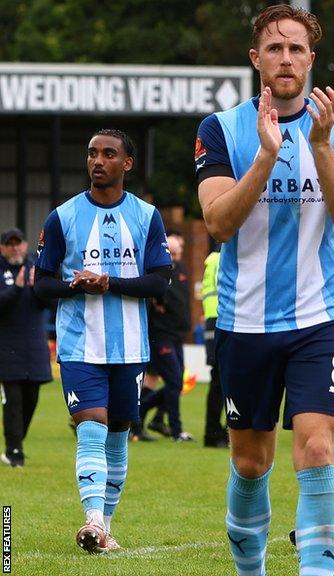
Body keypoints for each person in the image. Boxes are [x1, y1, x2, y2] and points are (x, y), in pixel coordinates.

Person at [195, 5, 334, 573]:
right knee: (250, 463)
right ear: (256, 59)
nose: (286, 58)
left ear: (311, 59)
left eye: (296, 49)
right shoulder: (219, 130)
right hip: (245, 323)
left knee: (319, 448)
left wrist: (318, 145)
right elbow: (219, 223)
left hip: (321, 318)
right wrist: (268, 155)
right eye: (275, 48)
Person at [33, 129, 172, 553]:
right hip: (79, 345)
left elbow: (160, 281)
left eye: (108, 154)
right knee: (90, 426)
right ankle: (92, 518)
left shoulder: (147, 216)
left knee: (117, 434)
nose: (98, 160)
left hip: (130, 347)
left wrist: (109, 282)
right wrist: (78, 287)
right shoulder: (63, 216)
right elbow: (41, 285)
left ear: (126, 163)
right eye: (92, 153)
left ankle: (104, 526)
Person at [0, 228, 53, 468]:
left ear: (25, 244)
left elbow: (50, 302)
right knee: (13, 402)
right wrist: (18, 288)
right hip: (6, 348)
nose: (14, 248)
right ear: (2, 247)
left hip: (34, 347)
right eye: (9, 244)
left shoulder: (36, 267)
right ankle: (14, 452)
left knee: (31, 401)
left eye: (17, 243)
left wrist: (37, 287)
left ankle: (15, 442)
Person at [136, 232, 193, 442]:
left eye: (178, 253)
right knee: (173, 381)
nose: (176, 258)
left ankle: (138, 416)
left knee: (175, 384)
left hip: (177, 336)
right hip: (162, 335)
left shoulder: (181, 271)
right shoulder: (159, 274)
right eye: (173, 253)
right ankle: (176, 430)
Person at [200, 244, 228, 448]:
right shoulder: (224, 258)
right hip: (224, 319)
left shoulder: (210, 262)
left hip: (212, 320)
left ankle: (213, 431)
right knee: (225, 381)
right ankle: (218, 432)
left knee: (217, 380)